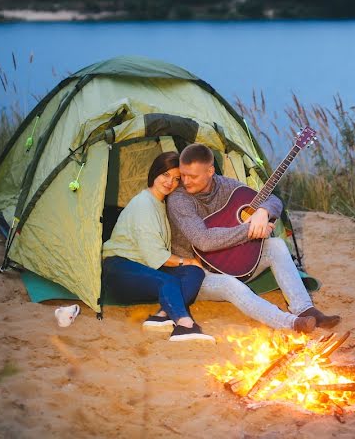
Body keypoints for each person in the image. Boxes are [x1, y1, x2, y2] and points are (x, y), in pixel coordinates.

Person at [167, 143, 340, 329]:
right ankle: (292, 324)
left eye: (192, 176)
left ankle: (305, 309)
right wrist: (250, 230)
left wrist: (264, 212)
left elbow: (273, 199)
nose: (185, 181)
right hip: (199, 275)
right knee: (230, 285)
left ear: (210, 171)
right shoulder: (179, 199)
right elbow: (203, 240)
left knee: (277, 245)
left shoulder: (227, 186)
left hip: (235, 262)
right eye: (183, 174)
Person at [101, 151, 213, 342]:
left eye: (176, 179)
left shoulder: (160, 203)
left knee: (194, 273)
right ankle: (185, 326)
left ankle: (161, 316)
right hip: (118, 269)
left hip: (144, 267)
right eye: (165, 174)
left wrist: (191, 264)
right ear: (155, 173)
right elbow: (157, 257)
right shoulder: (144, 204)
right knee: (169, 280)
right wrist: (189, 260)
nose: (170, 182)